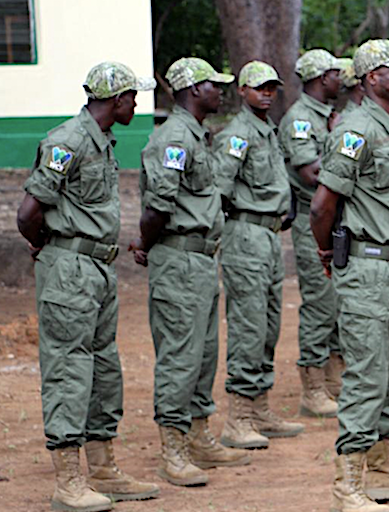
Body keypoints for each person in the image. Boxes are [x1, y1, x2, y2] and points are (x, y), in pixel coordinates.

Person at [17, 61, 159, 512]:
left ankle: (102, 466)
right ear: (115, 100)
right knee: (69, 369)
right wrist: (52, 249)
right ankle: (68, 480)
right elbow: (27, 213)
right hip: (70, 268)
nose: (136, 104)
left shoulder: (100, 142)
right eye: (133, 97)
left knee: (103, 368)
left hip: (97, 268)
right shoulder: (68, 141)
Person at [310, 39, 389, 512]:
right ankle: (349, 483)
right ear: (370, 79)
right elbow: (322, 205)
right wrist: (328, 251)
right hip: (367, 266)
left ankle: (382, 468)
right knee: (367, 374)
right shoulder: (356, 129)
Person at [130, 57, 251, 487]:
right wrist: (146, 245)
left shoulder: (197, 134)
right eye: (214, 85)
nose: (221, 91)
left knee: (203, 353)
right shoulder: (174, 138)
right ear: (193, 89)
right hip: (179, 258)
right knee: (180, 356)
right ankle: (173, 449)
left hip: (200, 258)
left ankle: (199, 434)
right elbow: (158, 205)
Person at [213, 60, 305, 450]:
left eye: (271, 88)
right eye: (259, 87)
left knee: (268, 324)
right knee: (248, 324)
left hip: (269, 235)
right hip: (246, 234)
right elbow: (219, 187)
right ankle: (238, 417)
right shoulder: (237, 134)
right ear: (242, 91)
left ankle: (260, 406)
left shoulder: (268, 130)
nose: (267, 93)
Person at [278, 49, 344, 415]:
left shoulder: (329, 117)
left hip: (335, 221)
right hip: (311, 220)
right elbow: (312, 174)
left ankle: (335, 376)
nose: (342, 80)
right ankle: (313, 386)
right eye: (336, 74)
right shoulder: (301, 120)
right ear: (321, 79)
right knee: (320, 301)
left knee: (337, 299)